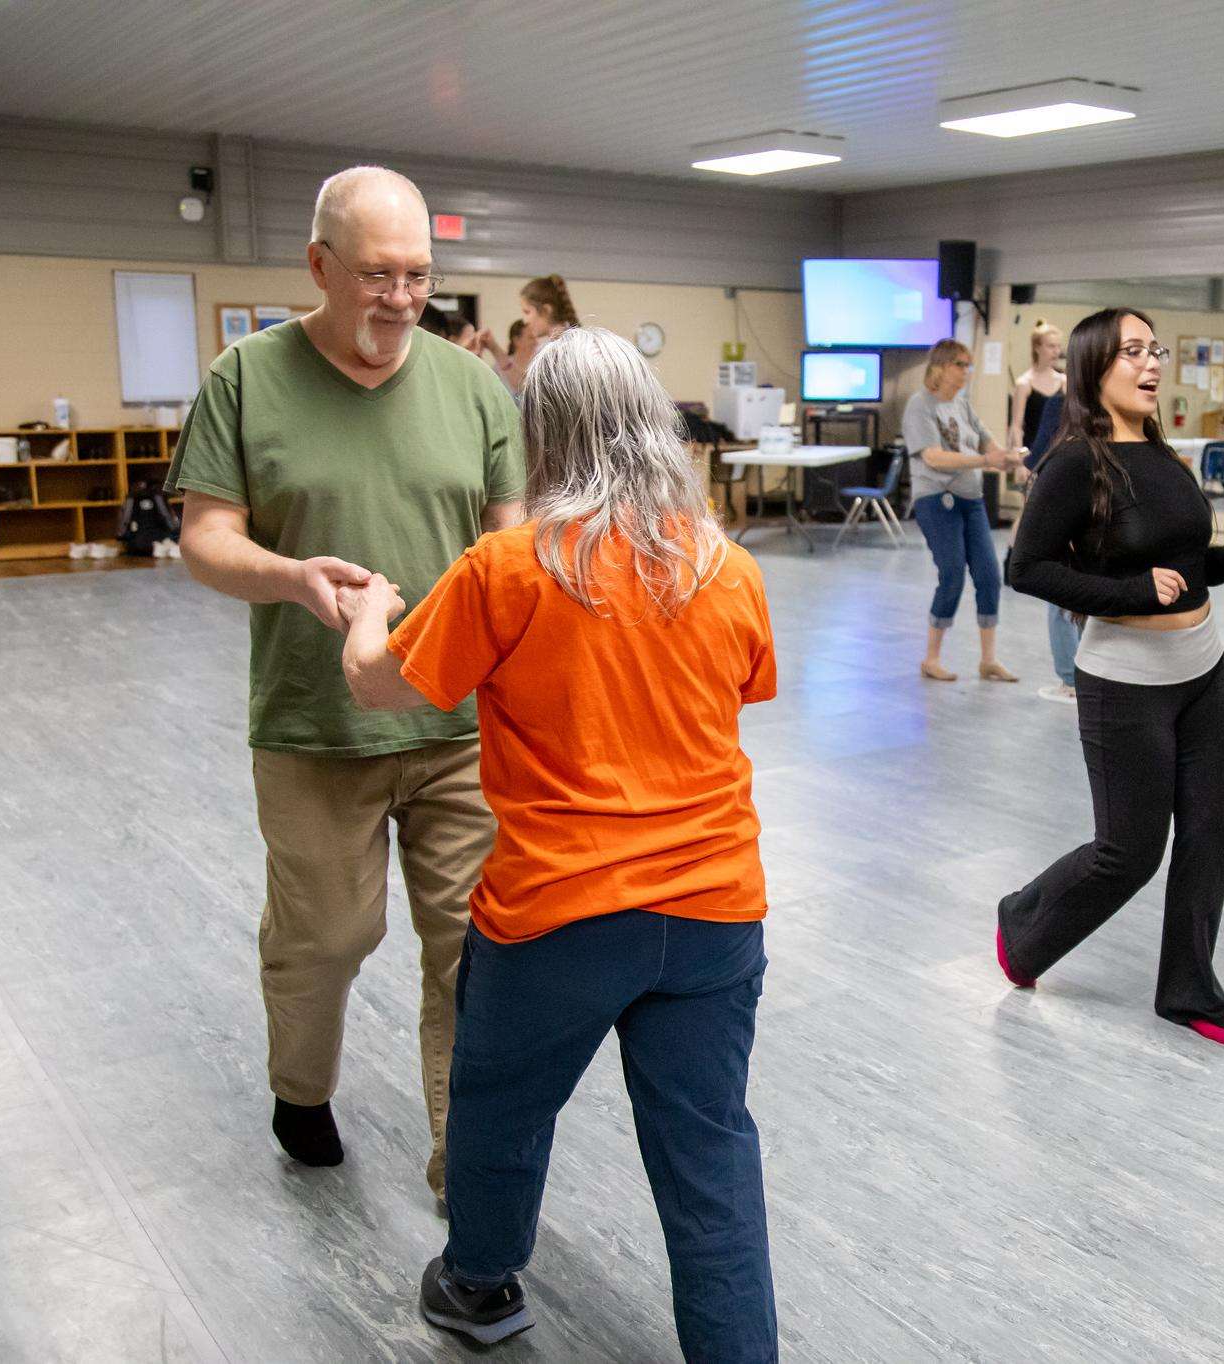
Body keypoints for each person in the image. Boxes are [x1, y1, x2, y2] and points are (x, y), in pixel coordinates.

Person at [338, 327, 779, 1356]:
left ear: (539, 433)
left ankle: (481, 1284)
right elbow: (747, 688)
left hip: (559, 916)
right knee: (710, 1154)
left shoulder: (509, 567)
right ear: (655, 426)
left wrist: (369, 610)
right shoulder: (729, 568)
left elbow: (378, 685)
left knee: (497, 1104)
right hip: (716, 912)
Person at [168, 166, 528, 1195]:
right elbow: (204, 538)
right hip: (314, 724)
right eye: (377, 273)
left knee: (474, 947)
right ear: (318, 264)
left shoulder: (471, 387)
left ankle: (468, 1157)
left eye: (419, 274)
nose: (402, 297)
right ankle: (301, 1083)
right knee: (327, 935)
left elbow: (508, 546)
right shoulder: (247, 376)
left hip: (456, 725)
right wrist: (290, 575)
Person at [1001, 307, 1224, 1048]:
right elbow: (1026, 569)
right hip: (1123, 681)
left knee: (1210, 834)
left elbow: (1177, 566)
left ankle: (1187, 987)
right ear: (1093, 367)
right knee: (1129, 852)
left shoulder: (1161, 452)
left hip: (1203, 671)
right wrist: (1127, 595)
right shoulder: (1073, 462)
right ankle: (1022, 929)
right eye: (1132, 353)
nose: (1151, 365)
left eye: (1155, 351)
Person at [902, 337, 1023, 682]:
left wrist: (1008, 459)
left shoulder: (963, 404)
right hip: (937, 501)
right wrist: (986, 460)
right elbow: (933, 457)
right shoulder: (919, 405)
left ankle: (988, 659)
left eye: (969, 365)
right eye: (961, 364)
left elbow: (987, 440)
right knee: (952, 573)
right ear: (940, 366)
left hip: (971, 501)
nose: (967, 372)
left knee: (988, 574)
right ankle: (932, 657)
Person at [1025, 382, 1079, 704]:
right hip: (1075, 501)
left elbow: (1039, 454)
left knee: (1061, 592)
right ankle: (1079, 676)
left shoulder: (1062, 402)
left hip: (1064, 502)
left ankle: (1072, 679)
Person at [470, 274, 579, 391]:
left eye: (527, 312)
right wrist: (494, 348)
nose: (525, 320)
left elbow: (525, 389)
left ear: (546, 310)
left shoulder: (558, 349)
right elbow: (524, 386)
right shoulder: (557, 345)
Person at [1008, 321, 1066, 452]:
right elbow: (1016, 427)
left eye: (1058, 346)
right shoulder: (1024, 383)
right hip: (1033, 452)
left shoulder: (1064, 381)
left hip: (1057, 452)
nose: (1056, 351)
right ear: (1037, 348)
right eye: (1051, 346)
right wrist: (1020, 461)